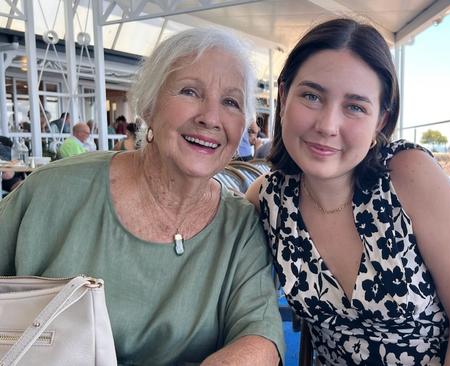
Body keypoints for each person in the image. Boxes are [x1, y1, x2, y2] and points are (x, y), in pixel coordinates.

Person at [246, 18, 450, 365]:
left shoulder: (407, 175)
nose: (327, 125)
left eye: (355, 106)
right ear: (284, 94)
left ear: (381, 120)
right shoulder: (267, 201)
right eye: (311, 96)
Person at [0, 28, 284, 365]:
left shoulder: (240, 226)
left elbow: (259, 337)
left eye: (231, 102)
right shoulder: (53, 191)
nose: (210, 117)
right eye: (190, 91)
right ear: (148, 106)